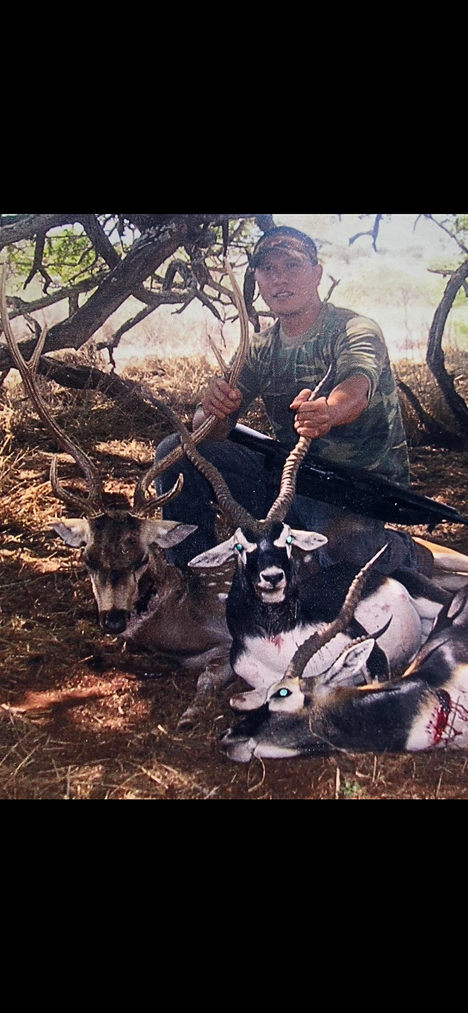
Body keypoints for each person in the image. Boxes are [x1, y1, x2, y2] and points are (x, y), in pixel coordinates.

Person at [154, 226, 424, 574]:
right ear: (257, 279)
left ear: (317, 273)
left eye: (292, 265)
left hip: (356, 487)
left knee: (338, 559)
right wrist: (211, 410)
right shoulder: (258, 348)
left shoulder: (354, 329)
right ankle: (192, 578)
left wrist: (329, 412)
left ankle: (402, 550)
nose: (279, 278)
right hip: (291, 479)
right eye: (268, 269)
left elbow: (357, 387)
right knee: (177, 451)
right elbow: (211, 431)